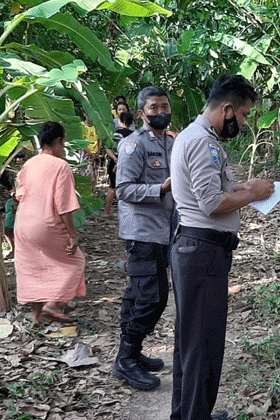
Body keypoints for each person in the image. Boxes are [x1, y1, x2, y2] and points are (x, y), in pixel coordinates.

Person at [169, 74, 274, 420]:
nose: (243, 122)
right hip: (203, 252)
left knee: (192, 341)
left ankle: (187, 413)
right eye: (243, 115)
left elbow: (213, 188)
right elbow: (212, 203)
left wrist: (244, 186)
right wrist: (254, 195)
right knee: (203, 345)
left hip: (198, 251)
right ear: (227, 109)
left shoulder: (196, 137)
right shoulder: (202, 141)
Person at [113, 86, 175, 391]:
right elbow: (124, 189)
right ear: (141, 113)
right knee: (153, 297)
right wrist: (159, 190)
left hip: (163, 232)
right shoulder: (133, 145)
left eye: (164, 106)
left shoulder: (172, 143)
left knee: (139, 294)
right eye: (153, 108)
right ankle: (126, 361)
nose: (160, 112)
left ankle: (131, 354)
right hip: (141, 232)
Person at [14, 122, 85, 324]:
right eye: (63, 143)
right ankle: (53, 306)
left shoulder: (29, 164)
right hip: (46, 225)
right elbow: (64, 207)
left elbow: (19, 194)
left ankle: (39, 318)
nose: (63, 148)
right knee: (75, 262)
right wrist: (72, 235)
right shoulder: (61, 166)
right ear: (57, 142)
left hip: (23, 224)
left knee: (32, 268)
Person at [105, 111, 134, 217]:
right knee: (128, 187)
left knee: (112, 187)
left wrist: (115, 158)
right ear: (131, 122)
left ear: (120, 121)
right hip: (128, 164)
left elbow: (107, 148)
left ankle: (107, 212)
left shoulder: (115, 134)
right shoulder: (134, 136)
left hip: (114, 162)